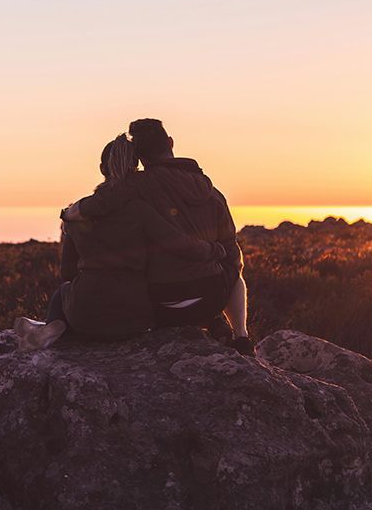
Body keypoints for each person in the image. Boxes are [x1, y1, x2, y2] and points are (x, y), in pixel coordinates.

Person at [15, 134, 227, 351]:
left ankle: (51, 328)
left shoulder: (77, 215)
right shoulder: (141, 210)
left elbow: (67, 272)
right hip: (134, 317)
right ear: (135, 169)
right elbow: (179, 245)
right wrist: (215, 250)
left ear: (101, 168)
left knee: (63, 292)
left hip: (85, 312)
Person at [62, 118, 254, 355]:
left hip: (160, 306)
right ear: (171, 143)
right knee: (235, 263)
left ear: (139, 157)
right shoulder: (212, 193)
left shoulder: (135, 186)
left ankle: (212, 322)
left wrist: (69, 212)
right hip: (211, 297)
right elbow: (231, 255)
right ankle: (241, 335)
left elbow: (99, 204)